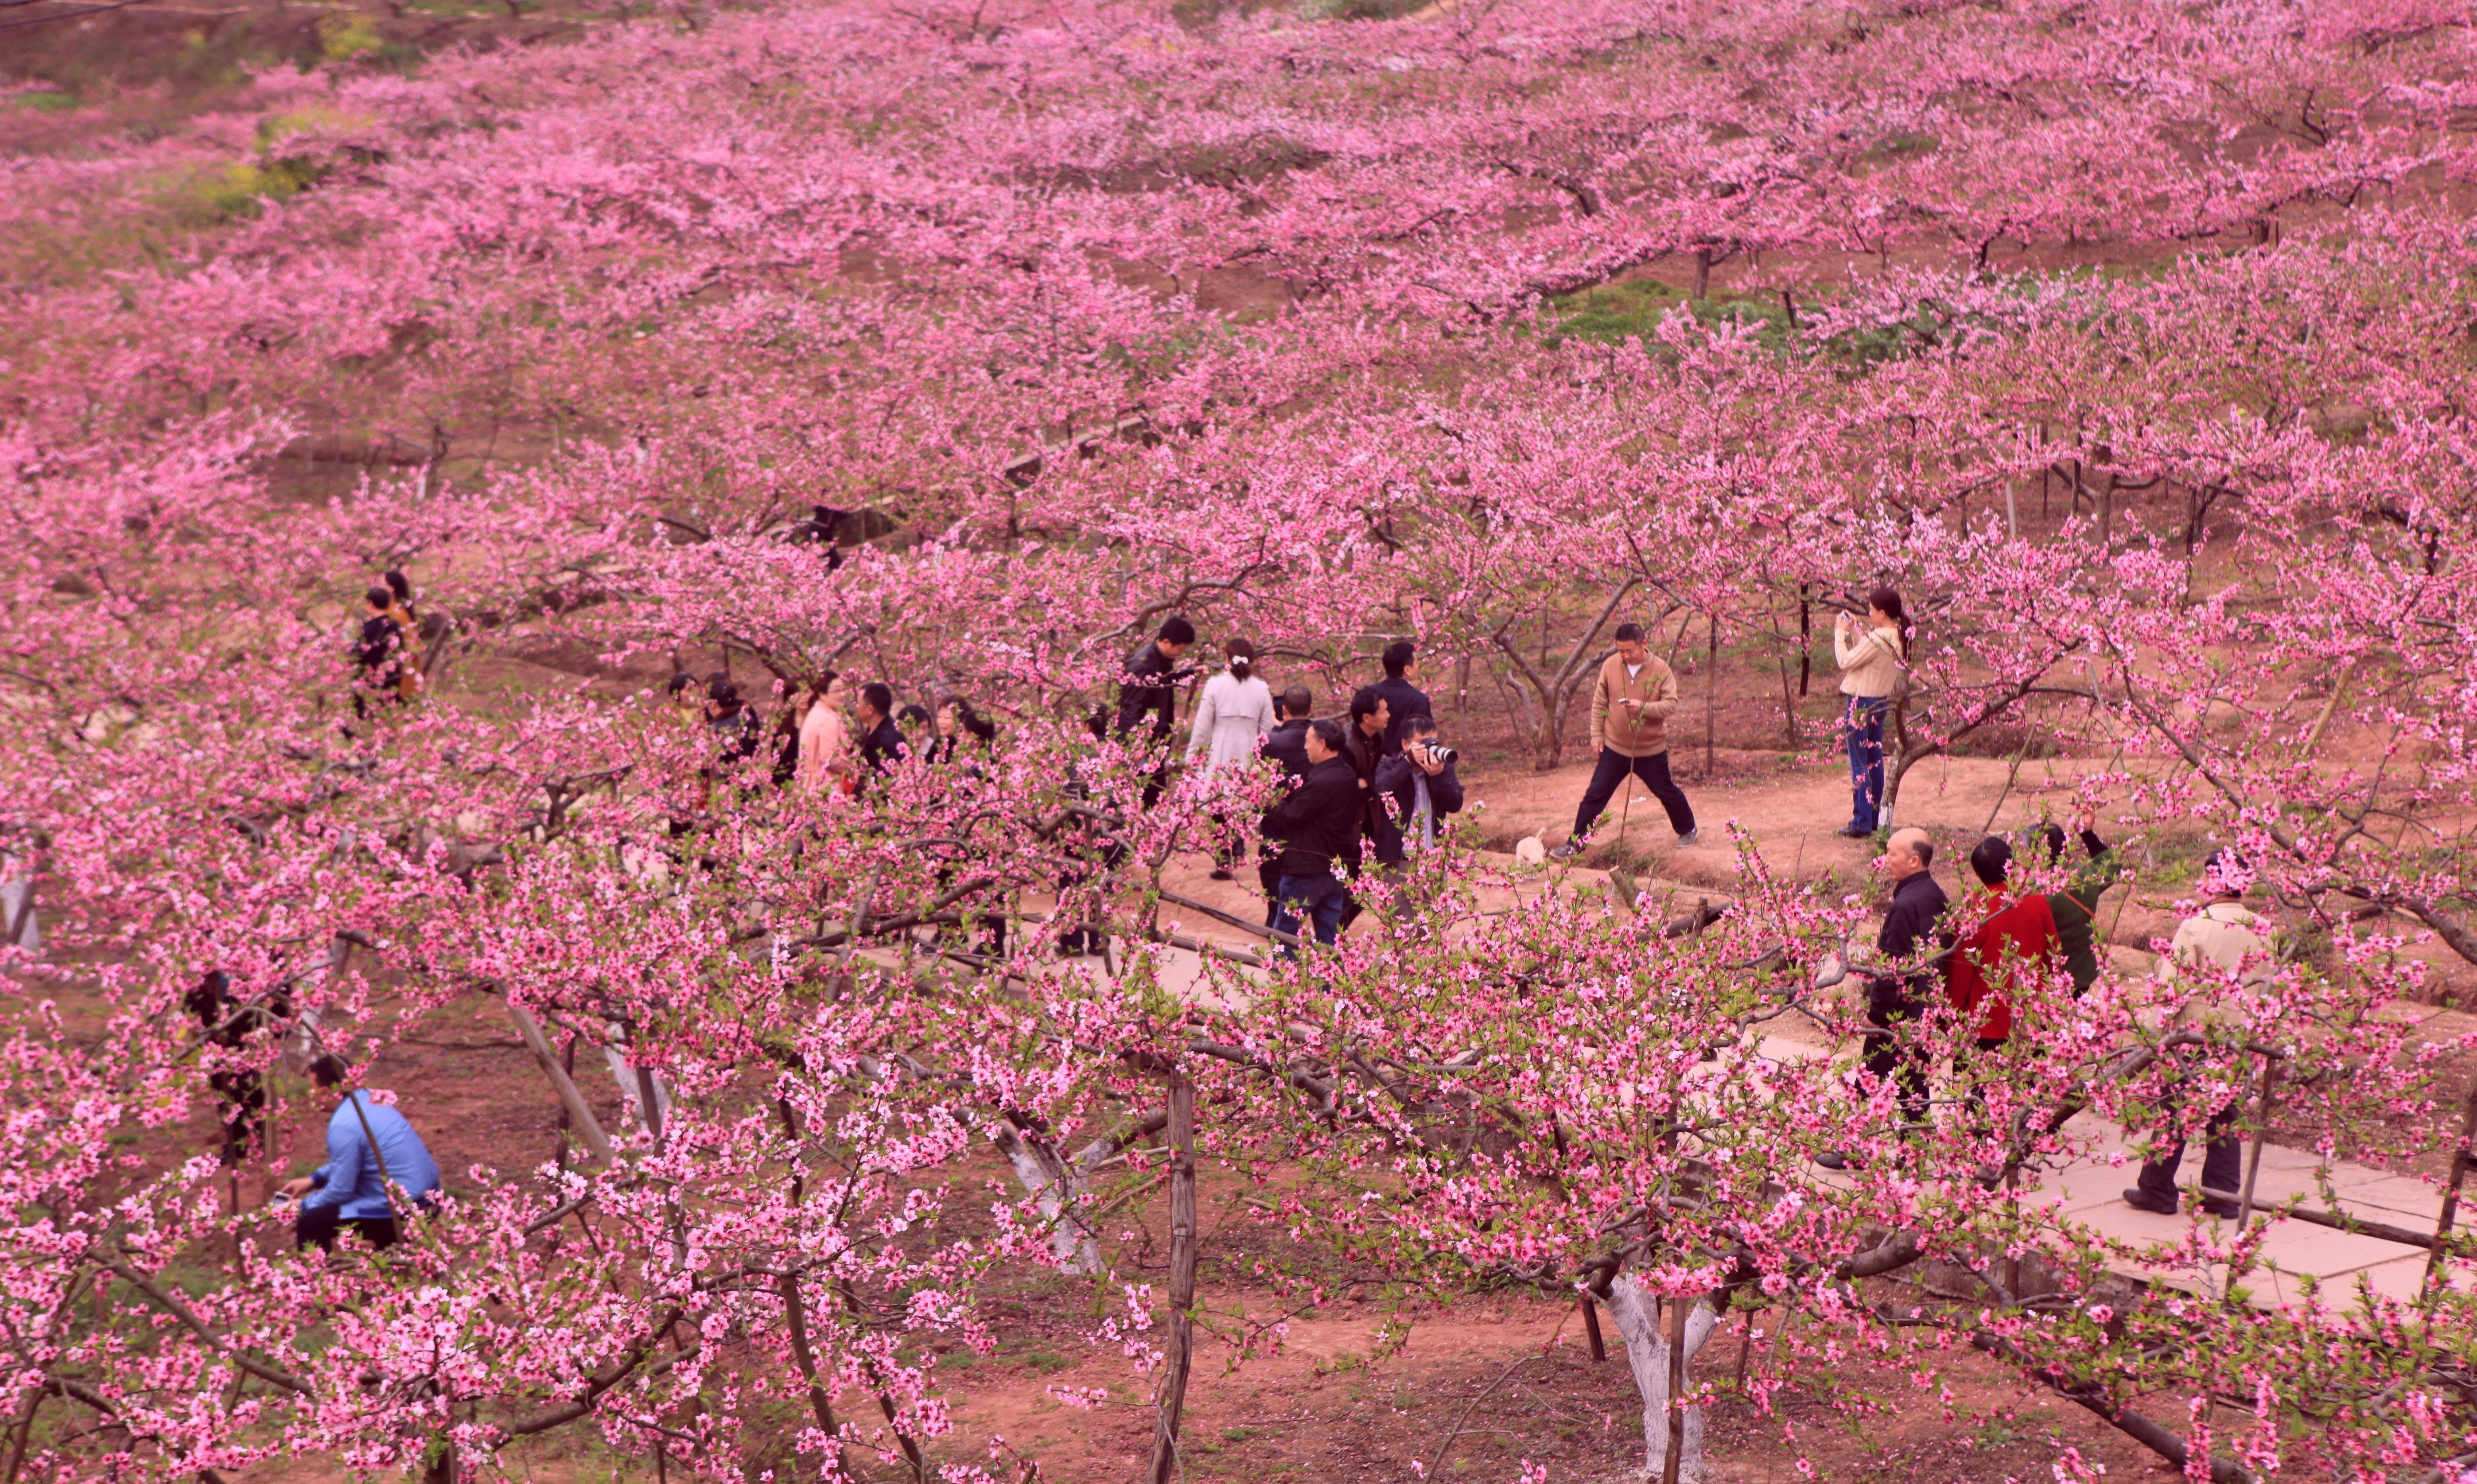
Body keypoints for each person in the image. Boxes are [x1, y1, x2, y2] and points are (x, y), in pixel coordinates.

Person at [2123, 849, 2269, 1219]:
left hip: (2193, 1037)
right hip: (2239, 1036)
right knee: (2226, 1116)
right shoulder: (2264, 930)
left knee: (2175, 1111)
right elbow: (2268, 990)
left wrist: (2154, 1034)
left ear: (2210, 878)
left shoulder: (2195, 926)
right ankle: (2222, 1197)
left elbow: (2171, 989)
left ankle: (2156, 1189)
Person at [1818, 827, 1948, 1170]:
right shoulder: (1935, 894)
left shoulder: (1905, 904)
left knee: (1870, 1077)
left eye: (1892, 854)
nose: (1885, 860)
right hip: (1925, 1006)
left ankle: (1856, 1149)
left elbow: (1890, 967)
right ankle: (1913, 1153)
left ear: (1914, 860)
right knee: (1914, 1081)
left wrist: (1876, 1016)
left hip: (1898, 1012)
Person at [1553, 622, 1697, 858]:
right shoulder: (1611, 666)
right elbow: (1600, 702)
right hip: (1615, 748)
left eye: (1630, 651)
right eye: (1620, 651)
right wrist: (1597, 735)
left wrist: (1644, 708)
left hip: (1650, 750)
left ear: (1644, 645)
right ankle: (1576, 843)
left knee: (1666, 791)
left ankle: (1688, 828)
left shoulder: (1661, 670)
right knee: (1595, 795)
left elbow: (1672, 704)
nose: (1625, 656)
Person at [280, 1054, 441, 1252]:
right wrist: (315, 1180)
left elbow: (341, 1191)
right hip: (427, 1195)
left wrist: (304, 1205)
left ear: (328, 1091)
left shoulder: (343, 1125)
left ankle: (315, 1280)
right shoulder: (371, 1097)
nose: (312, 1095)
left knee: (311, 1222)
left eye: (314, 1088)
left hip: (402, 1208)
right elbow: (358, 1159)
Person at [1261, 720, 1361, 954]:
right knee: (1329, 937)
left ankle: (1287, 984)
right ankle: (1329, 988)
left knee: (1287, 932)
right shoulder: (1346, 774)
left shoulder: (1324, 781)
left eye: (1308, 741)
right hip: (1334, 867)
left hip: (1306, 869)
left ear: (1323, 744)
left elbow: (1294, 815)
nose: (1305, 747)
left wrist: (1270, 800)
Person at [1187, 640, 1276, 879]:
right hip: (1249, 748)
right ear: (1253, 660)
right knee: (1242, 799)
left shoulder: (1215, 685)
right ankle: (1238, 844)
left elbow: (1202, 725)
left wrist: (1193, 755)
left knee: (1219, 800)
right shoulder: (1261, 688)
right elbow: (1267, 727)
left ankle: (1223, 857)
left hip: (1220, 749)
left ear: (1226, 658)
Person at [1833, 587, 1908, 838]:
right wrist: (1855, 631)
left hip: (1860, 703)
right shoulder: (1898, 635)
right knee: (1875, 759)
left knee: (1859, 761)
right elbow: (1865, 656)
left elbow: (1846, 661)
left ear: (1883, 613)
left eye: (1872, 610)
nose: (1870, 613)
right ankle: (1875, 818)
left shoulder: (1877, 639)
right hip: (1880, 702)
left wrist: (1839, 634)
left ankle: (1861, 821)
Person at [1114, 617, 1197, 808]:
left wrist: (1189, 672)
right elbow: (1130, 708)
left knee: (1153, 798)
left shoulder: (1161, 659)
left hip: (1155, 741)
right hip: (1141, 745)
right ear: (1167, 642)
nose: (1180, 653)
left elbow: (1163, 681)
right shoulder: (1142, 664)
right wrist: (1136, 745)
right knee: (1141, 799)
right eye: (1181, 649)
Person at [2035, 818, 2122, 996]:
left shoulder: (2032, 892)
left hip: (2046, 977)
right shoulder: (2085, 877)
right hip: (2082, 972)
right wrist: (2088, 834)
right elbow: (2111, 865)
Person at [1256, 687, 1316, 921]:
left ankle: (1275, 915)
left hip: (1276, 816)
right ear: (1311, 709)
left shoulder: (1270, 741)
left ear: (1284, 710)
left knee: (1272, 867)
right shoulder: (1322, 741)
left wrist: (1275, 728)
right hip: (1310, 818)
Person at [1373, 715, 1464, 857]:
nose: (1430, 748)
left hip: (1433, 857)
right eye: (1424, 743)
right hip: (1399, 858)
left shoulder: (1442, 768)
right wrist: (1408, 763)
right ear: (1405, 744)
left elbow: (1455, 805)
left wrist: (1438, 777)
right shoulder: (1390, 765)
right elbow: (1380, 791)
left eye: (1434, 743)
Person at [794, 672, 853, 796]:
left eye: (843, 690)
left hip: (809, 783)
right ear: (822, 695)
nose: (842, 694)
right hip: (824, 785)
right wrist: (850, 766)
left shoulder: (816, 713)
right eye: (837, 691)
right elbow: (830, 758)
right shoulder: (827, 718)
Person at [1369, 639, 1432, 754]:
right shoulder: (1418, 699)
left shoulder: (1371, 693)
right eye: (1417, 662)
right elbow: (1427, 738)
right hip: (1408, 763)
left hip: (1373, 764)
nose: (1418, 666)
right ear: (1407, 670)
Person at [352, 586, 409, 704]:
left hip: (370, 687)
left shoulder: (368, 629)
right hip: (394, 684)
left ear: (371, 604)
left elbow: (356, 658)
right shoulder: (396, 626)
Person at [854, 682, 908, 778]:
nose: (857, 706)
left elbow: (885, 783)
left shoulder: (891, 740)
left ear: (870, 710)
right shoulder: (873, 729)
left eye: (859, 703)